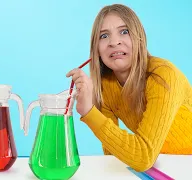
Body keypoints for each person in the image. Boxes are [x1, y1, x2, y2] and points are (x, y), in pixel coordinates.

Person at [66, 4, 192, 172]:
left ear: (139, 38)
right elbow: (113, 152)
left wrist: (89, 112)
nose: (114, 42)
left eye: (124, 32)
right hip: (160, 169)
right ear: (96, 49)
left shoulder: (163, 75)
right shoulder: (105, 87)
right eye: (104, 35)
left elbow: (143, 157)